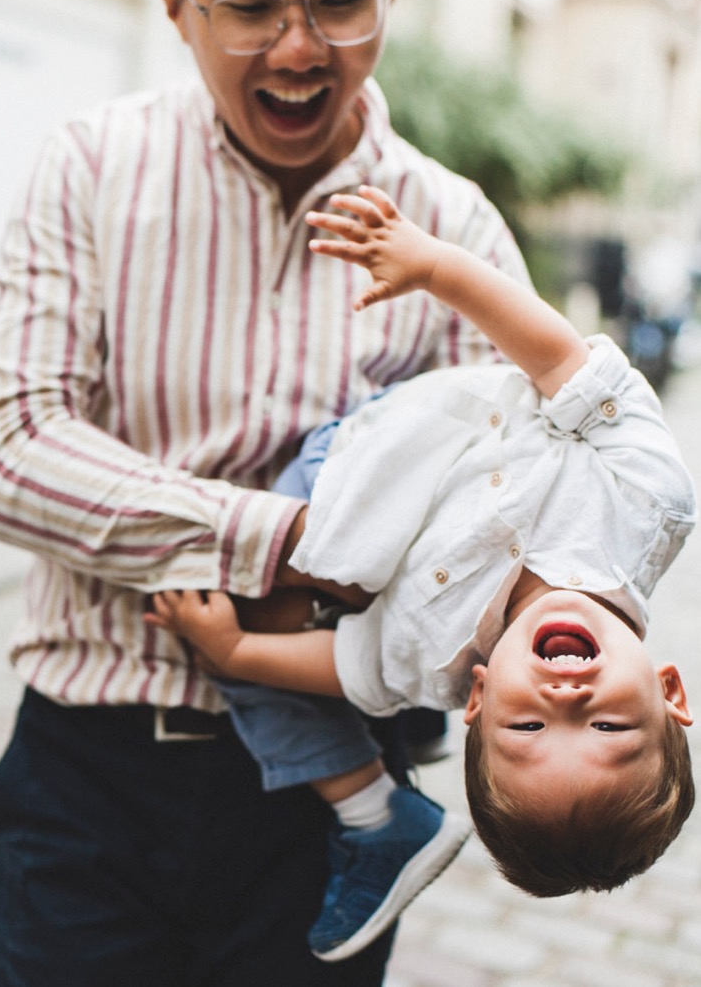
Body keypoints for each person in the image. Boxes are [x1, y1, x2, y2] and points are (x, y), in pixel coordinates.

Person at [0, 0, 533, 986]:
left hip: (334, 813)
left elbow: (509, 519)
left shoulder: (456, 233)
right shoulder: (92, 170)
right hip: (90, 777)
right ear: (172, 0)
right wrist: (287, 540)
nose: (296, 45)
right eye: (249, 3)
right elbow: (6, 449)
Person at [150, 183, 697, 907]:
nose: (567, 696)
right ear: (668, 692)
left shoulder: (431, 661)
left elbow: (346, 662)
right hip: (421, 413)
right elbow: (561, 356)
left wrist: (233, 652)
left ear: (475, 698)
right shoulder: (646, 501)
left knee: (260, 636)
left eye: (527, 723)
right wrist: (437, 267)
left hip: (328, 479)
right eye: (608, 722)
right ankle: (384, 790)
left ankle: (374, 801)